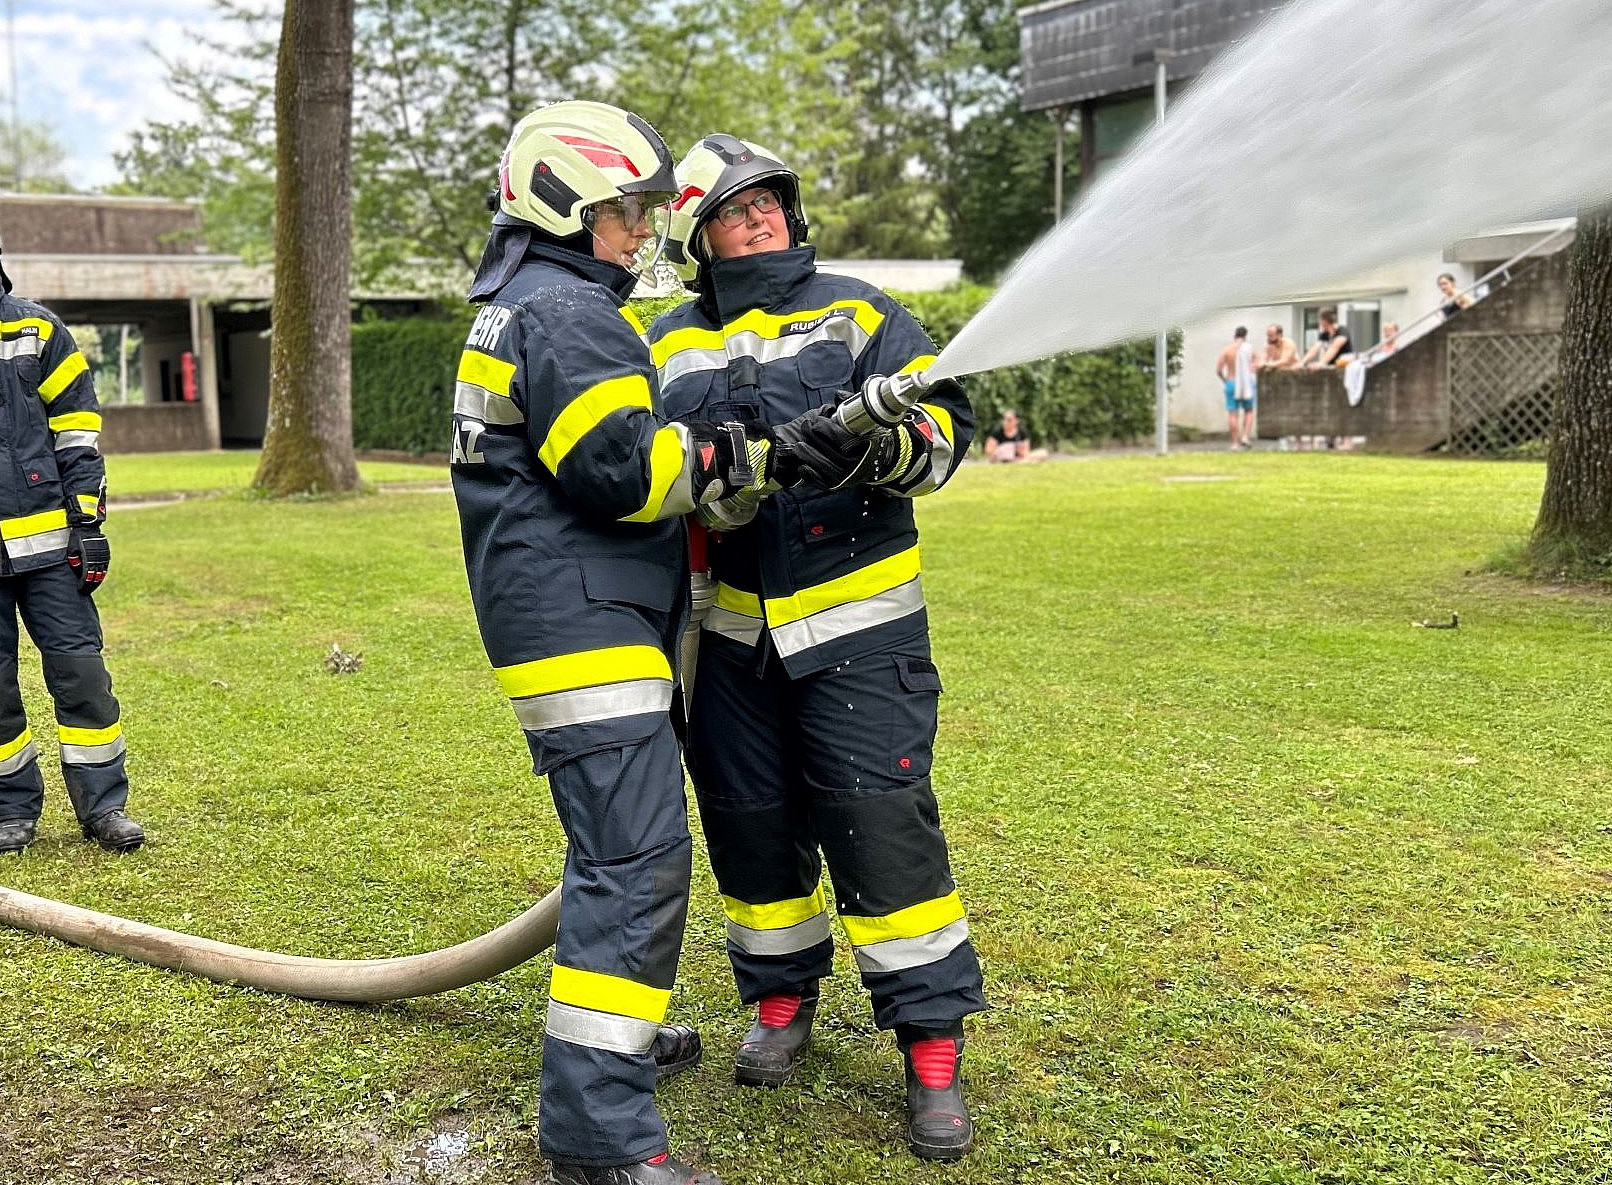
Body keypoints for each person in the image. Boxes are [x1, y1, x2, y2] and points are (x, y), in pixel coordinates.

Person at [450, 101, 841, 1185]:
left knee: (617, 858)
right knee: (636, 864)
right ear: (568, 203)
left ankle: (611, 1052)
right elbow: (626, 474)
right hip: (582, 626)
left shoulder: (520, 304)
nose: (639, 231)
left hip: (567, 618)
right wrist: (747, 454)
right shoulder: (568, 314)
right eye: (625, 210)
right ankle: (599, 1136)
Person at [648, 135, 987, 1163]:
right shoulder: (664, 339)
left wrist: (882, 447)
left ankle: (931, 1051)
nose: (754, 222)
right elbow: (652, 468)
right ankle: (780, 1004)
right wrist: (727, 473)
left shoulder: (865, 311)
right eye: (729, 213)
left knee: (881, 827)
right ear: (697, 239)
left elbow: (946, 430)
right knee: (750, 830)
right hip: (729, 639)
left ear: (793, 216)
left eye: (767, 205)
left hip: (859, 630)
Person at [0, 246, 143, 856]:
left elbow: (78, 434)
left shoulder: (36, 330)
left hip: (53, 547)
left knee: (80, 674)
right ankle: (9, 810)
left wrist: (88, 524)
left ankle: (104, 807)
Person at [1216, 327, 1257, 449]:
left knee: (1233, 413)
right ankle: (1245, 437)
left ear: (1234, 336)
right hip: (1247, 383)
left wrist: (1225, 380)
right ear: (1245, 336)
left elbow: (1218, 369)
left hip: (1231, 382)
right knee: (1248, 411)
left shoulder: (1227, 350)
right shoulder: (1250, 350)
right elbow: (1257, 364)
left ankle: (1235, 443)